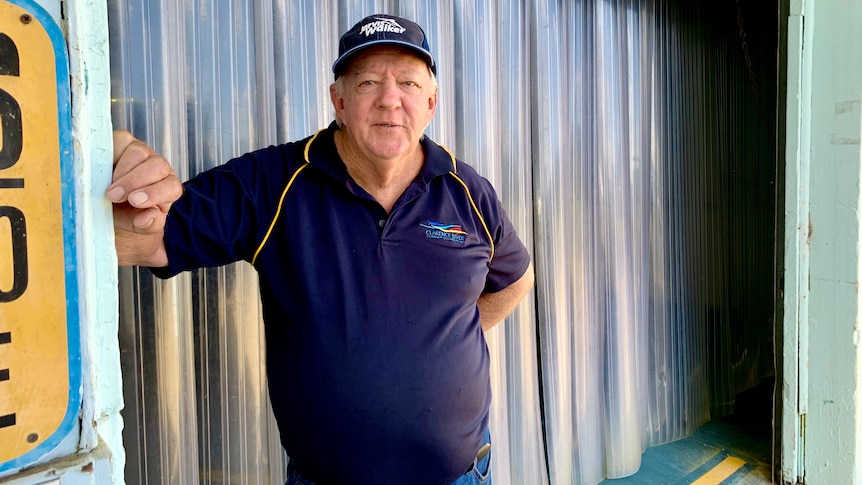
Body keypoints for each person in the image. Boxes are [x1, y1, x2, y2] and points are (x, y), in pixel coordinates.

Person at [108, 14, 533, 485]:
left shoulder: (466, 189)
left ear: (430, 102)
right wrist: (102, 177)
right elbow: (143, 237)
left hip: (464, 476)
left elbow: (516, 278)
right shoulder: (272, 184)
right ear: (340, 101)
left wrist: (445, 333)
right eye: (369, 81)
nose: (390, 99)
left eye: (409, 83)